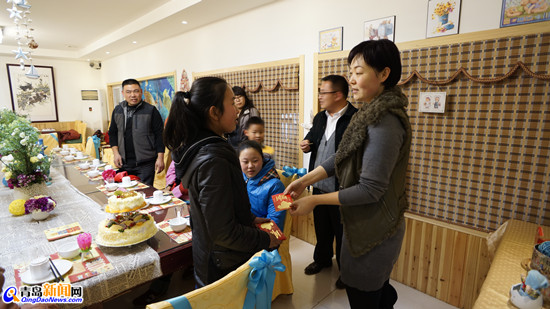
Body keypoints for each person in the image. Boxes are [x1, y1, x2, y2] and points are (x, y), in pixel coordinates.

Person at [285, 39, 411, 308]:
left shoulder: (384, 121)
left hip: (374, 229)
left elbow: (370, 189)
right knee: (376, 292)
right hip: (361, 222)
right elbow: (341, 157)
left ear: (384, 74)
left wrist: (315, 200)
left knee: (364, 295)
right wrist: (306, 181)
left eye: (358, 72)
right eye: (350, 72)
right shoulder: (367, 114)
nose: (351, 80)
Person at [164, 77, 281, 287]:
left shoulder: (200, 146)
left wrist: (247, 218)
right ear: (214, 112)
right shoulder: (213, 160)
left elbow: (217, 211)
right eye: (230, 102)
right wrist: (266, 240)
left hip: (213, 253)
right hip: (221, 262)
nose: (237, 108)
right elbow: (223, 233)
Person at [299, 74, 357, 289]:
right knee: (322, 228)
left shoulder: (355, 118)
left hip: (342, 188)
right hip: (319, 185)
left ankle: (346, 272)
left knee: (343, 233)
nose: (320, 97)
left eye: (323, 92)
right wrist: (308, 144)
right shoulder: (321, 117)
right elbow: (314, 139)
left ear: (338, 94)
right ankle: (322, 260)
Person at [108, 79, 165, 186]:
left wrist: (160, 158)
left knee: (145, 193)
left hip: (146, 163)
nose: (133, 95)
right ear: (123, 93)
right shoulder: (118, 110)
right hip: (123, 162)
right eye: (128, 92)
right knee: (125, 193)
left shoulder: (150, 110)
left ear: (141, 92)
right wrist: (115, 153)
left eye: (136, 91)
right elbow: (112, 133)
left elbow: (160, 136)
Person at [238, 140, 286, 229]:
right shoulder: (238, 177)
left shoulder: (277, 186)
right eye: (245, 162)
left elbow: (276, 222)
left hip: (264, 237)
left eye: (255, 161)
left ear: (262, 159)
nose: (250, 166)